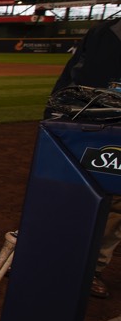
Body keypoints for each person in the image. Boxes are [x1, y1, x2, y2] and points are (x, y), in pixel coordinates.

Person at [45, 18, 121, 298]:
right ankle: (43, 254)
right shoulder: (106, 32)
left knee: (117, 207)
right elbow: (73, 79)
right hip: (90, 126)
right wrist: (56, 117)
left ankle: (92, 269)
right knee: (68, 191)